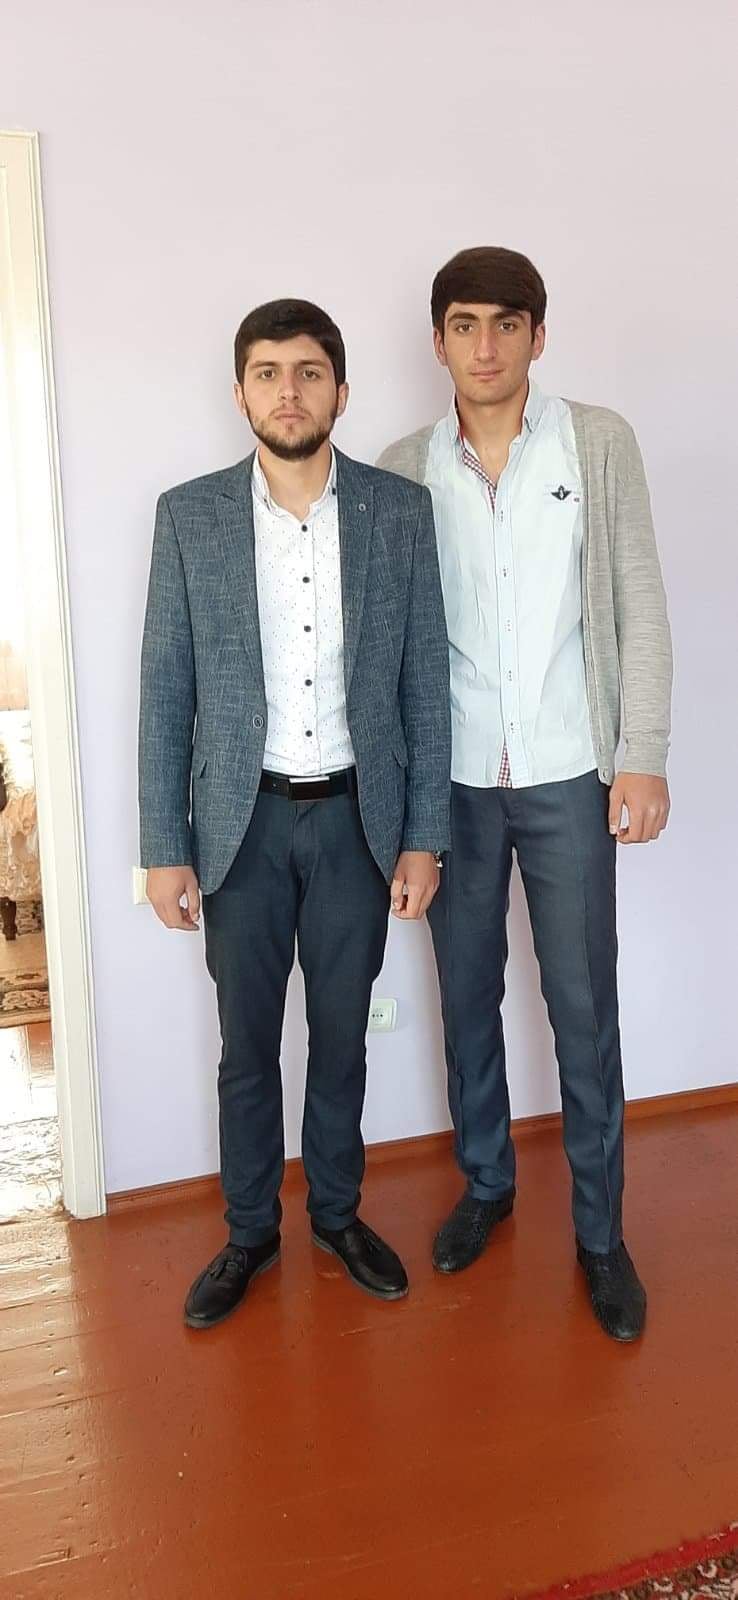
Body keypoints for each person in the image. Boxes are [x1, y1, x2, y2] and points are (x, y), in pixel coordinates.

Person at [378, 248, 672, 1341]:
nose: (486, 345)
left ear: (538, 336)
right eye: (465, 325)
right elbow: (390, 644)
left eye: (507, 324)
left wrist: (643, 750)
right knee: (466, 996)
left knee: (583, 1009)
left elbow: (639, 598)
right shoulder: (403, 468)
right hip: (450, 781)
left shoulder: (595, 442)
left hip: (566, 770)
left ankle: (601, 1236)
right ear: (439, 341)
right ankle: (488, 1184)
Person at [139, 299, 451, 1328]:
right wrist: (163, 847)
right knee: (245, 1047)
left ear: (340, 392)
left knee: (341, 1037)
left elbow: (423, 685)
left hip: (359, 822)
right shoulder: (189, 517)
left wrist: (423, 835)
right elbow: (166, 690)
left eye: (309, 372)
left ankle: (338, 1215)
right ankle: (248, 1232)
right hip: (242, 829)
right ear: (240, 394)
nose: (288, 390)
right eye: (268, 372)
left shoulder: (398, 513)